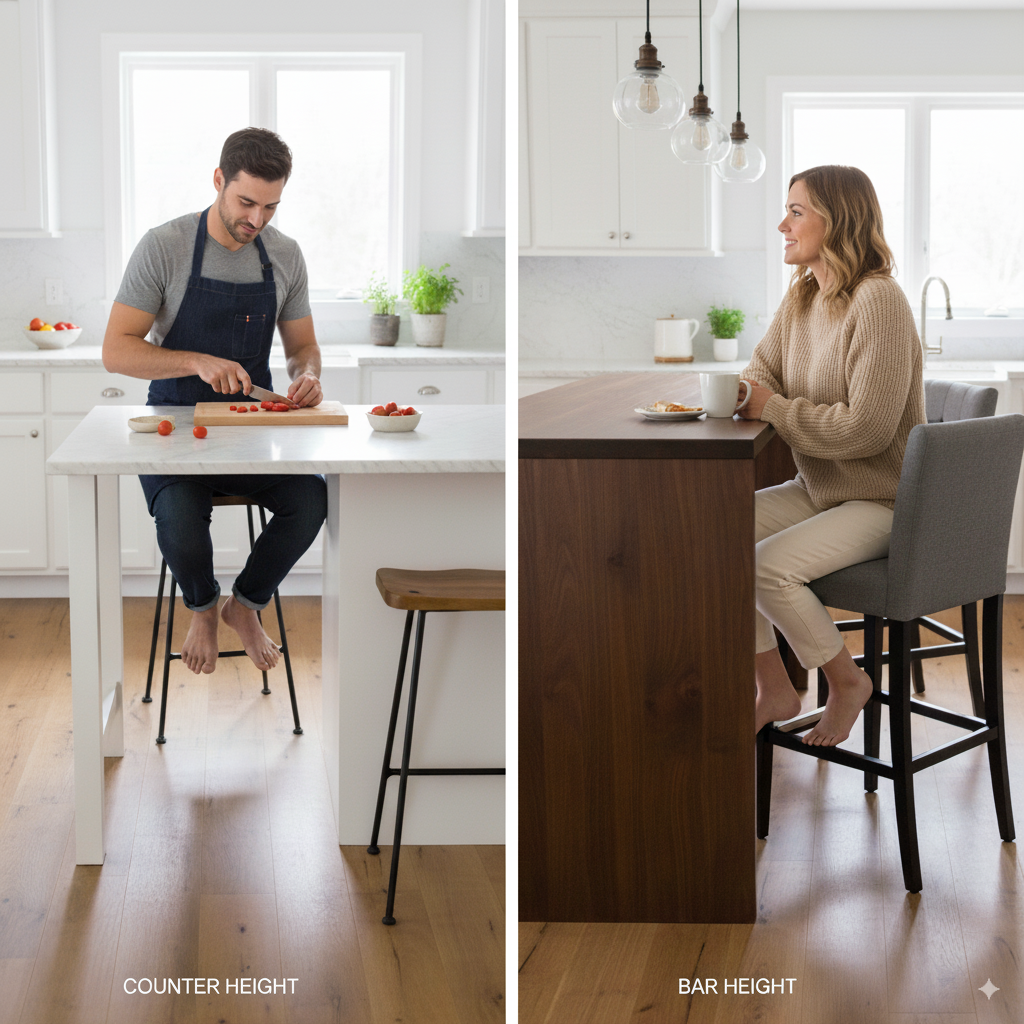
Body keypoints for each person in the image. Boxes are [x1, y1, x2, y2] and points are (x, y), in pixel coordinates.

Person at [102, 127, 328, 677]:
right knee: (179, 518)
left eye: (270, 206)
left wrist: (309, 375)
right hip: (175, 428)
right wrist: (194, 360)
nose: (257, 219)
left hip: (252, 430)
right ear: (219, 180)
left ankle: (246, 606)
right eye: (245, 202)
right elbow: (116, 351)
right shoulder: (165, 246)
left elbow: (302, 347)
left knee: (313, 501)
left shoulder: (285, 256)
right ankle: (201, 608)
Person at [737, 164, 924, 746]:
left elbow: (866, 431)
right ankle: (775, 686)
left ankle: (847, 683)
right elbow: (758, 374)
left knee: (767, 564)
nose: (781, 226)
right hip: (822, 490)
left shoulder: (879, 302)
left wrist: (772, 408)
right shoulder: (803, 298)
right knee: (713, 537)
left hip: (883, 497)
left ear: (836, 220)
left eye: (796, 212)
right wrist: (760, 396)